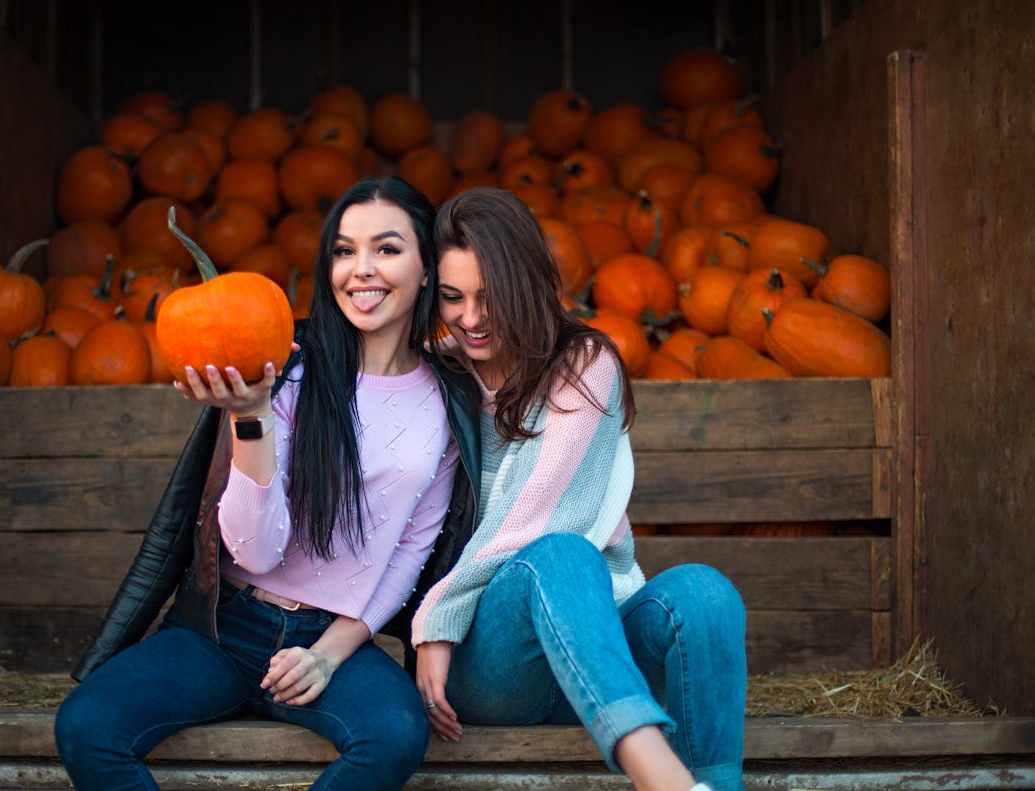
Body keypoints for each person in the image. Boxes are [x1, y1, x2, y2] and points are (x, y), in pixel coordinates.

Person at [54, 177, 481, 791]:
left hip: (333, 637)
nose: (361, 270)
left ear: (425, 268)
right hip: (224, 630)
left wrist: (327, 655)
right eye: (342, 250)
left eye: (387, 250)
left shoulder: (448, 400)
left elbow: (411, 552)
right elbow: (254, 552)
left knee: (394, 735)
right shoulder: (285, 366)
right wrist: (250, 416)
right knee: (88, 726)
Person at [409, 187, 747, 791]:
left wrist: (437, 609)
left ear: (527, 283)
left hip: (595, 650)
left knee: (705, 593)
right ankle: (665, 784)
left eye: (490, 298)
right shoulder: (431, 368)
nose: (470, 319)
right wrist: (440, 620)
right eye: (453, 298)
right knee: (561, 555)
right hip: (491, 663)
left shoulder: (583, 363)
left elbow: (535, 515)